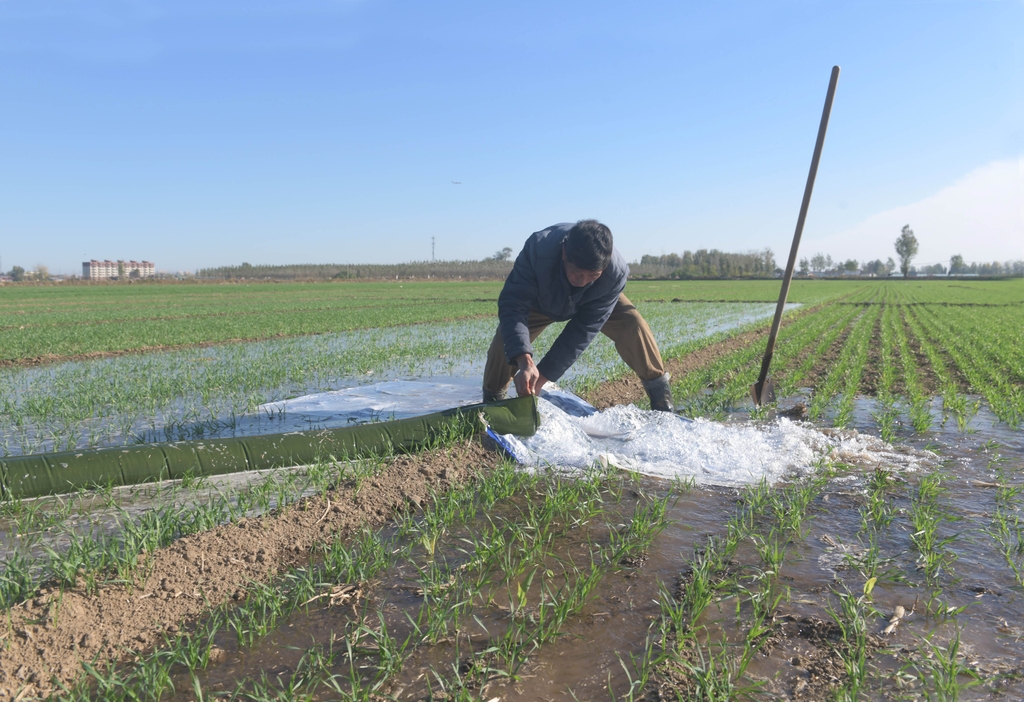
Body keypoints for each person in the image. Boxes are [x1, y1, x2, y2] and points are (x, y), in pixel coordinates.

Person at [482, 220, 675, 411]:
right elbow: (513, 305)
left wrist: (540, 380)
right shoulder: (539, 249)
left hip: (593, 299)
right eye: (577, 273)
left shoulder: (615, 274)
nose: (582, 282)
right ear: (564, 253)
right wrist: (525, 362)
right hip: (542, 299)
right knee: (506, 342)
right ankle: (493, 401)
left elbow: (582, 331)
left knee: (633, 323)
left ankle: (661, 399)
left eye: (592, 275)